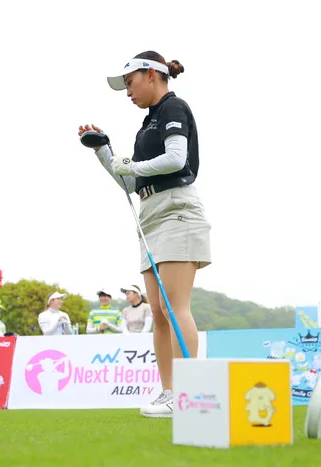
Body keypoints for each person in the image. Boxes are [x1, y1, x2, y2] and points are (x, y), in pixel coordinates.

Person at [78, 50, 211, 418]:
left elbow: (176, 159)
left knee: (174, 307)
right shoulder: (147, 125)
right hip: (150, 215)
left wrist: (130, 164)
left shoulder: (173, 107)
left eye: (130, 83)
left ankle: (189, 394)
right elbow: (131, 182)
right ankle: (170, 393)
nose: (127, 92)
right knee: (159, 313)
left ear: (151, 75)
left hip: (177, 210)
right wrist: (104, 151)